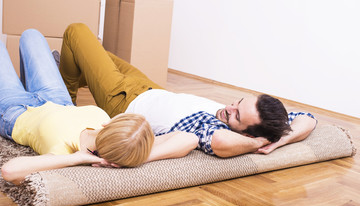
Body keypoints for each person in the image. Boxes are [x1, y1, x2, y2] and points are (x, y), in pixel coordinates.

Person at [59, 23, 317, 158]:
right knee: (86, 56)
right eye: (237, 103)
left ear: (247, 134)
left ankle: (63, 103)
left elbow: (222, 144)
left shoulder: (214, 131)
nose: (229, 109)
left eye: (236, 117)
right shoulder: (261, 120)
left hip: (122, 99)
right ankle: (66, 69)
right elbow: (308, 118)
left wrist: (259, 143)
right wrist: (278, 140)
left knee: (77, 32)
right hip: (149, 87)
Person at [0, 29, 197, 185]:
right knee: (31, 35)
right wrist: (138, 158)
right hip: (58, 98)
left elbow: (9, 170)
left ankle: (23, 84)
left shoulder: (66, 151)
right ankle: (27, 80)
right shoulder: (122, 137)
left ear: (107, 127)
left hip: (15, 109)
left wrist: (75, 159)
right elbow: (190, 138)